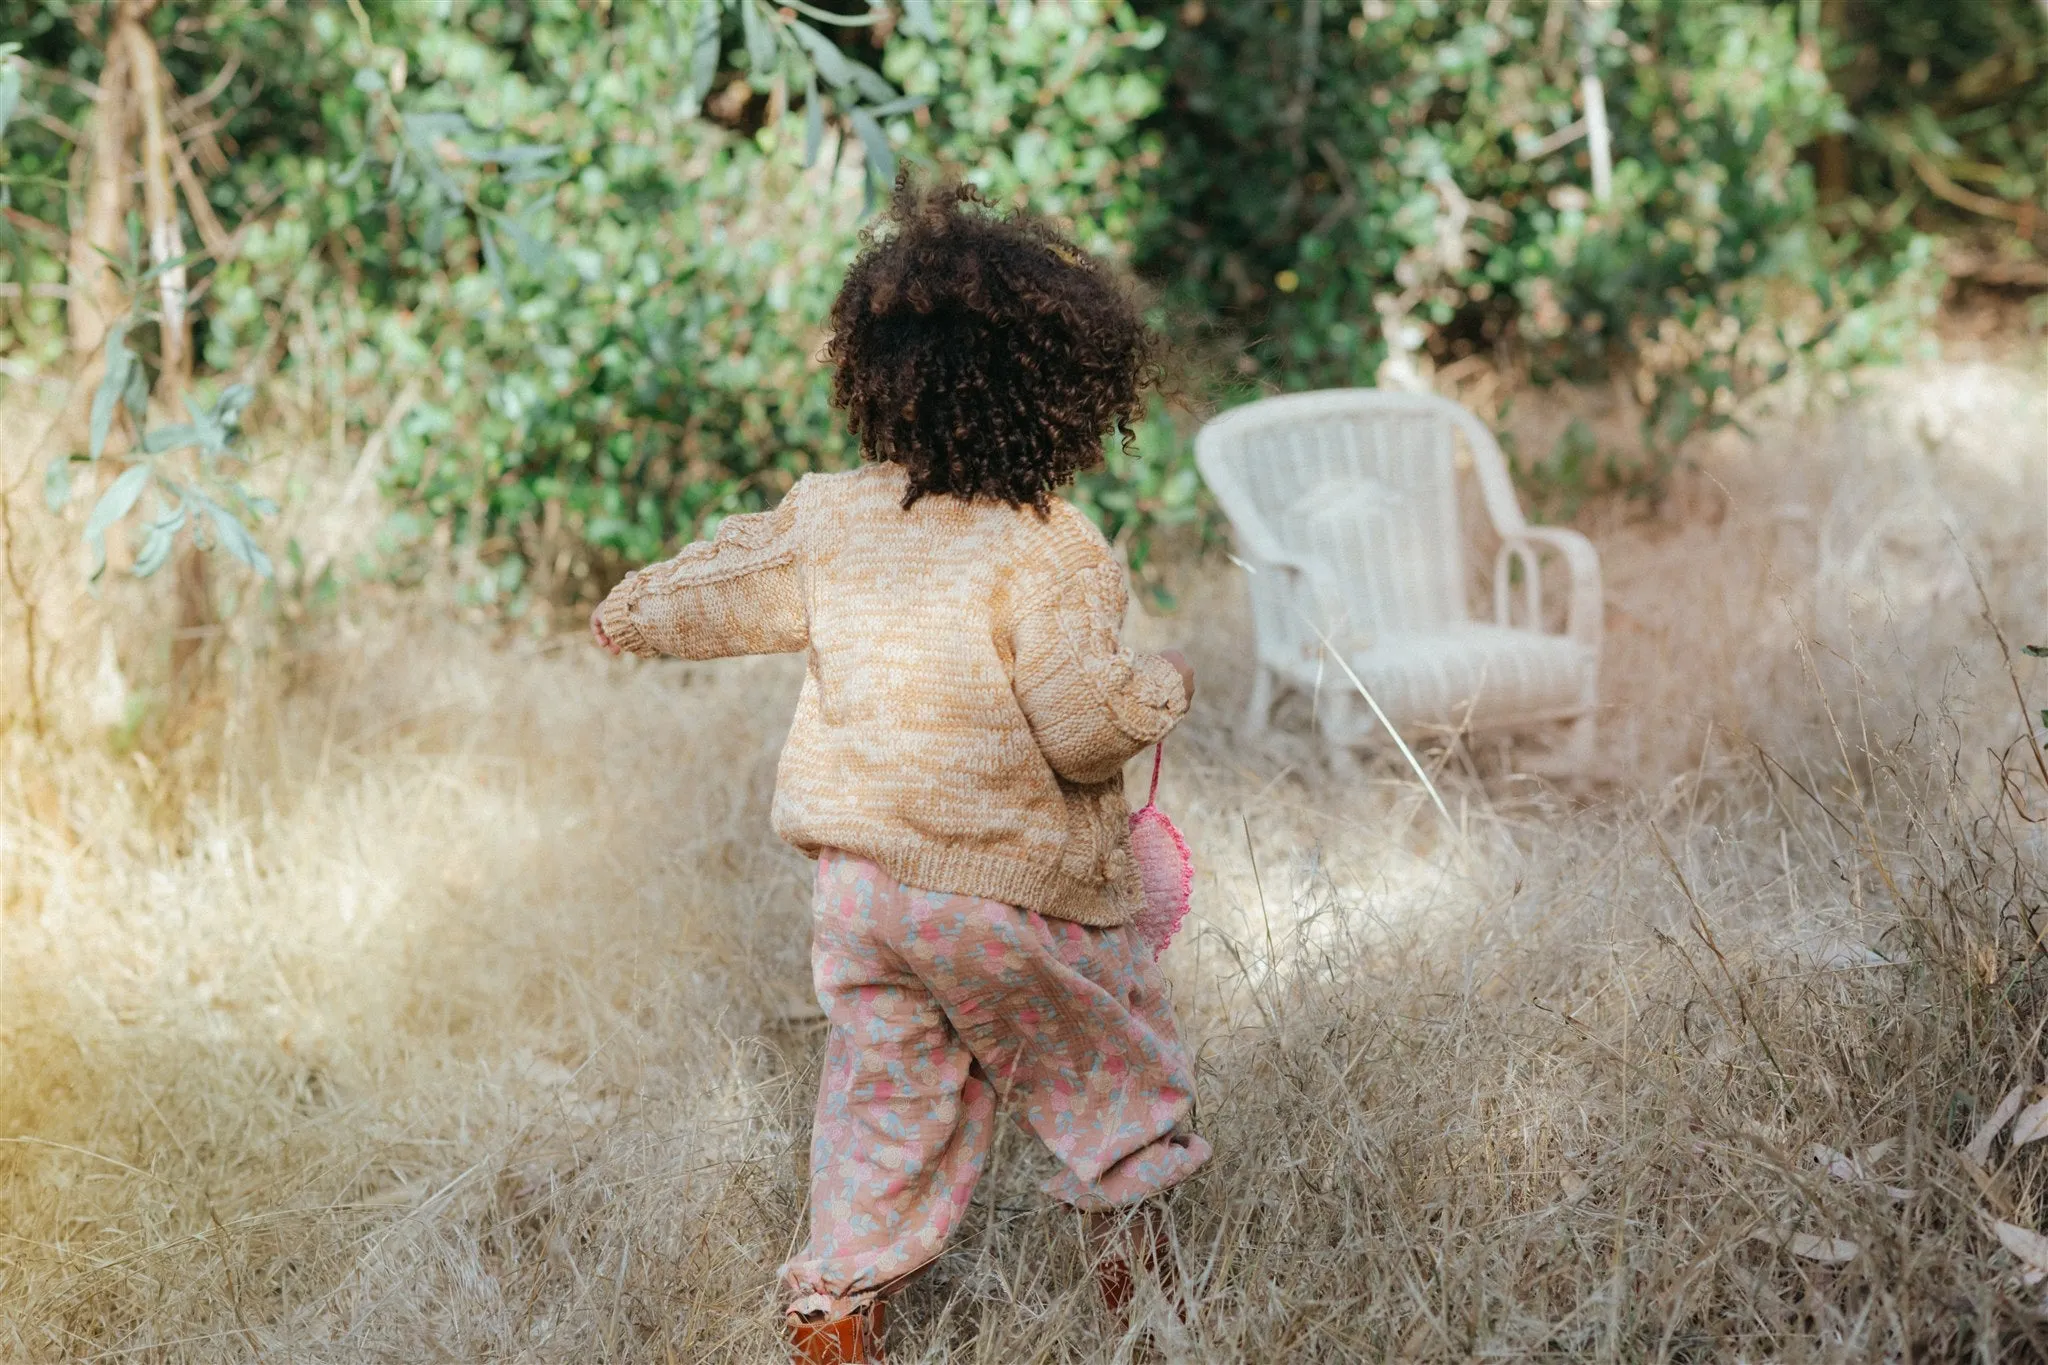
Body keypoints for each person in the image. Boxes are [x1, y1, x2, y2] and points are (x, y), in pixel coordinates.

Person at [591, 177, 1208, 1364]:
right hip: (1007, 894)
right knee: (1109, 1080)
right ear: (1064, 392)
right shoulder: (1046, 546)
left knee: (883, 1108)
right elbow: (1080, 733)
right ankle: (1151, 1321)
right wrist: (1159, 690)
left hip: (863, 899)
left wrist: (633, 612)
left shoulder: (830, 518)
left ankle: (833, 1320)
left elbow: (713, 588)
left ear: (875, 379)